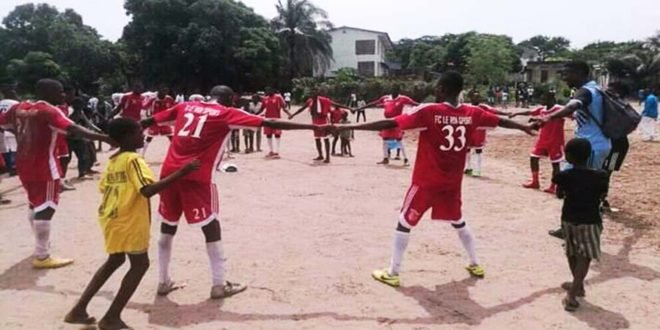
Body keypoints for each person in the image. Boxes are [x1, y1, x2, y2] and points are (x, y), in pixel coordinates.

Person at [337, 71, 536, 287]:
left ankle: (393, 272)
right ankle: (475, 262)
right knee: (458, 221)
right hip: (452, 183)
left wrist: (349, 126)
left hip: (426, 181)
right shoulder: (472, 112)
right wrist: (523, 126)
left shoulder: (430, 111)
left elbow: (390, 123)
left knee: (404, 222)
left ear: (441, 88)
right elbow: (500, 121)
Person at [141, 85, 325, 299]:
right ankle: (219, 284)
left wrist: (113, 134)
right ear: (229, 99)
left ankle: (163, 280)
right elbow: (271, 122)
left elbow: (147, 122)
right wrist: (315, 128)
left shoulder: (185, 106)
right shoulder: (226, 113)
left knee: (167, 227)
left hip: (169, 174)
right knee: (211, 228)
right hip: (196, 177)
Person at [64, 118, 199, 329]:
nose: (142, 135)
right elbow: (147, 189)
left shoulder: (114, 160)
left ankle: (79, 309)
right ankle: (111, 317)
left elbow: (104, 188)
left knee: (115, 260)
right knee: (140, 264)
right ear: (126, 137)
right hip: (129, 220)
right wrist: (183, 172)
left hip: (111, 218)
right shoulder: (133, 160)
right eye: (138, 132)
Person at [0, 79, 113, 269]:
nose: (63, 95)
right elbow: (74, 129)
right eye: (60, 92)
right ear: (48, 92)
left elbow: (4, 125)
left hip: (23, 163)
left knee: (34, 203)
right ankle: (42, 256)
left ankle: (39, 246)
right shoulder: (49, 111)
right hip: (44, 166)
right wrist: (107, 138)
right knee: (47, 206)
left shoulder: (18, 108)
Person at [538, 61, 612, 239]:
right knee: (576, 187)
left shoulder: (586, 91)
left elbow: (572, 107)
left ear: (579, 73)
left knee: (583, 189)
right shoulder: (595, 89)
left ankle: (586, 230)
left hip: (590, 147)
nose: (563, 77)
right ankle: (571, 227)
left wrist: (548, 117)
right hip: (594, 145)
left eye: (566, 73)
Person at [552, 138, 608, 312]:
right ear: (589, 155)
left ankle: (575, 289)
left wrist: (557, 172)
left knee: (572, 252)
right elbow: (602, 196)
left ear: (568, 156)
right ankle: (575, 290)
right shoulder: (601, 176)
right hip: (591, 221)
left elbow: (559, 195)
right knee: (585, 257)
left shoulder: (564, 176)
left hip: (569, 219)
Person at [512, 92, 565, 194]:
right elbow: (530, 112)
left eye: (544, 98)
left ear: (551, 99)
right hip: (543, 139)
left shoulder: (559, 109)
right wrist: (516, 113)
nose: (541, 101)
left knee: (555, 164)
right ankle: (535, 181)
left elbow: (572, 114)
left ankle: (553, 186)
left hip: (556, 141)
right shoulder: (542, 109)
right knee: (534, 157)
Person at [354, 87, 419, 166]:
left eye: (396, 90)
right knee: (385, 140)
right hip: (387, 122)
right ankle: (385, 158)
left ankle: (405, 159)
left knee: (399, 140)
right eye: (393, 90)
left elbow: (415, 104)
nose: (395, 92)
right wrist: (360, 108)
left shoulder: (403, 98)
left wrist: (426, 107)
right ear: (391, 91)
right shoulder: (386, 98)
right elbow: (373, 103)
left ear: (399, 91)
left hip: (396, 121)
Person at [289, 88, 351, 163]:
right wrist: (293, 115)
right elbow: (302, 109)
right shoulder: (310, 101)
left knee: (326, 139)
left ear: (317, 93)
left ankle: (328, 157)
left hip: (323, 120)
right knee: (317, 139)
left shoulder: (323, 100)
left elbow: (335, 104)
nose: (312, 94)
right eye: (311, 93)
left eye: (314, 92)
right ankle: (320, 155)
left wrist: (349, 108)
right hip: (315, 121)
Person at [601, 82, 631, 212]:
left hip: (616, 147)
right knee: (604, 171)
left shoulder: (617, 108)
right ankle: (601, 199)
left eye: (610, 90)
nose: (606, 91)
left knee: (605, 172)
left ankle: (601, 199)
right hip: (616, 145)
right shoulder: (620, 107)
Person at [464, 100, 511, 177]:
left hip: (474, 130)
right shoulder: (480, 107)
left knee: (473, 150)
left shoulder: (472, 107)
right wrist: (506, 114)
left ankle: (474, 169)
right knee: (471, 150)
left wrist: (506, 113)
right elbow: (494, 111)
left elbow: (494, 111)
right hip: (475, 131)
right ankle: (471, 169)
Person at [142, 86, 175, 157]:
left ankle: (175, 154)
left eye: (166, 91)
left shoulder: (169, 99)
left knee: (171, 137)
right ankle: (142, 155)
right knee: (149, 138)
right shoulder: (153, 99)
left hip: (165, 121)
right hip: (154, 121)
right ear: (159, 91)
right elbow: (144, 107)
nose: (165, 93)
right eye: (163, 91)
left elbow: (174, 108)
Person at [258, 88, 291, 158]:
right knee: (268, 135)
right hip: (267, 119)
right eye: (267, 91)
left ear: (273, 91)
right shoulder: (265, 99)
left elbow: (283, 107)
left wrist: (289, 114)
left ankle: (277, 151)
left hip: (276, 119)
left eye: (270, 90)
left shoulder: (278, 97)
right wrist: (255, 115)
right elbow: (262, 108)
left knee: (277, 135)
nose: (268, 92)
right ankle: (271, 151)